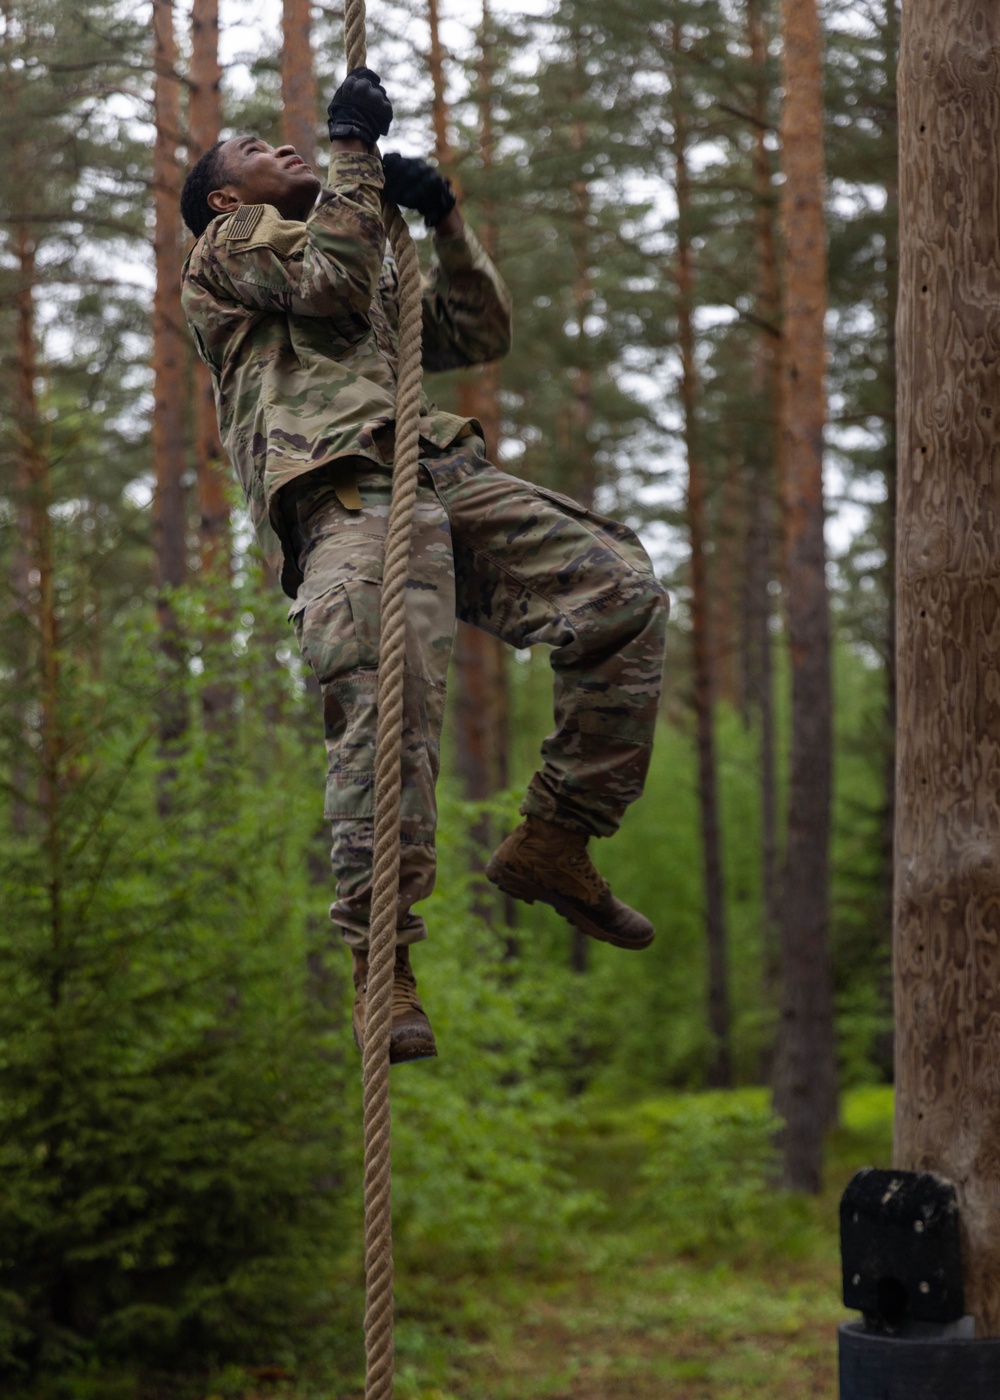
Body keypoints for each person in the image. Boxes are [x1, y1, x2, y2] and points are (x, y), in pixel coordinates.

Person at [180, 67, 668, 1065]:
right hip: (347, 493)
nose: (285, 149)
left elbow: (475, 329)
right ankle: (381, 962)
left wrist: (444, 219)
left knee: (620, 594)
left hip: (436, 472)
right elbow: (328, 281)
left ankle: (557, 835)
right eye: (254, 151)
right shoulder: (227, 249)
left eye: (296, 141)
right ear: (226, 196)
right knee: (389, 699)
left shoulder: (359, 243)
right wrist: (356, 154)